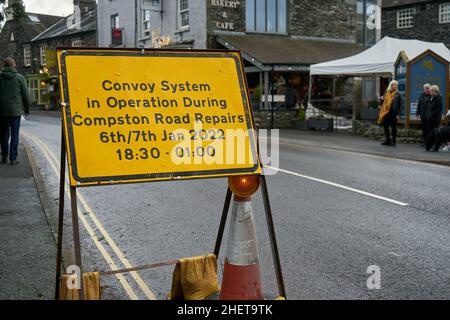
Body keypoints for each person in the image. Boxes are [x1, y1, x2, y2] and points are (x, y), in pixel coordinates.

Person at [0, 57, 30, 165]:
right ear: (14, 65)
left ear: (4, 65)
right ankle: (13, 158)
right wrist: (27, 109)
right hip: (15, 112)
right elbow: (26, 95)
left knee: (3, 134)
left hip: (2, 111)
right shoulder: (19, 78)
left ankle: (4, 156)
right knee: (14, 134)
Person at [378, 80, 403, 147]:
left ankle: (393, 141)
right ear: (391, 85)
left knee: (393, 127)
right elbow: (383, 102)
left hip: (394, 113)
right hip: (386, 112)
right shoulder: (386, 93)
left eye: (397, 85)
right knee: (385, 127)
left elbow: (401, 105)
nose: (396, 86)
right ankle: (387, 140)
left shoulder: (398, 94)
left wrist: (398, 114)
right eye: (395, 85)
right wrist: (381, 101)